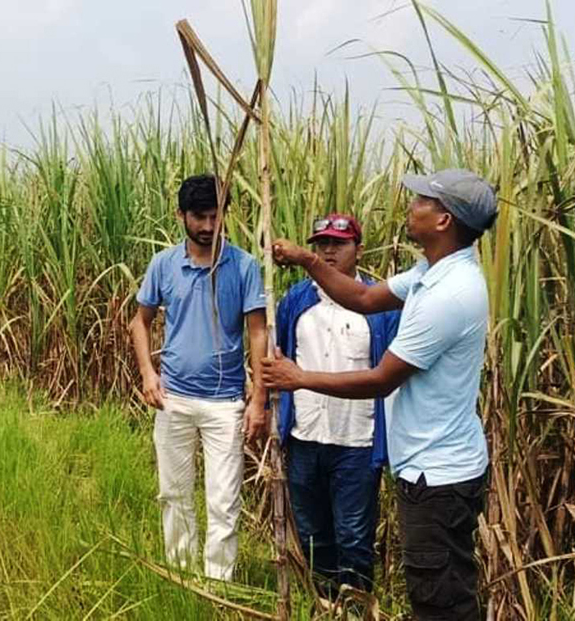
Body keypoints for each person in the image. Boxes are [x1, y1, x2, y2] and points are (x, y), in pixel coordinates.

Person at [262, 169, 497, 620]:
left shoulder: (448, 295)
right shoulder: (431, 273)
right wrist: (309, 261)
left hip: (439, 474)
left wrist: (298, 378)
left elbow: (381, 379)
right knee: (435, 589)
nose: (411, 206)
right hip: (427, 469)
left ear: (444, 220)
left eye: (422, 200)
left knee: (441, 599)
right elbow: (366, 299)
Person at [128, 174, 267, 581]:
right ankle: (182, 577)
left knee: (223, 501)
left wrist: (258, 398)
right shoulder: (165, 265)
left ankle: (217, 585)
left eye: (215, 216)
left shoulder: (242, 266)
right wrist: (148, 374)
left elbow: (257, 330)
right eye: (199, 217)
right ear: (181, 216)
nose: (208, 226)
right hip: (173, 398)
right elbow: (140, 322)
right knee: (174, 494)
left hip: (225, 403)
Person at [274, 213, 400, 595]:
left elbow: (390, 375)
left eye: (338, 244)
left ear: (358, 250)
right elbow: (278, 360)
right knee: (313, 535)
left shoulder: (381, 307)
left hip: (357, 442)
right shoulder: (296, 301)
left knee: (353, 536)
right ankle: (324, 604)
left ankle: (358, 605)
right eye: (321, 244)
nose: (328, 251)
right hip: (305, 437)